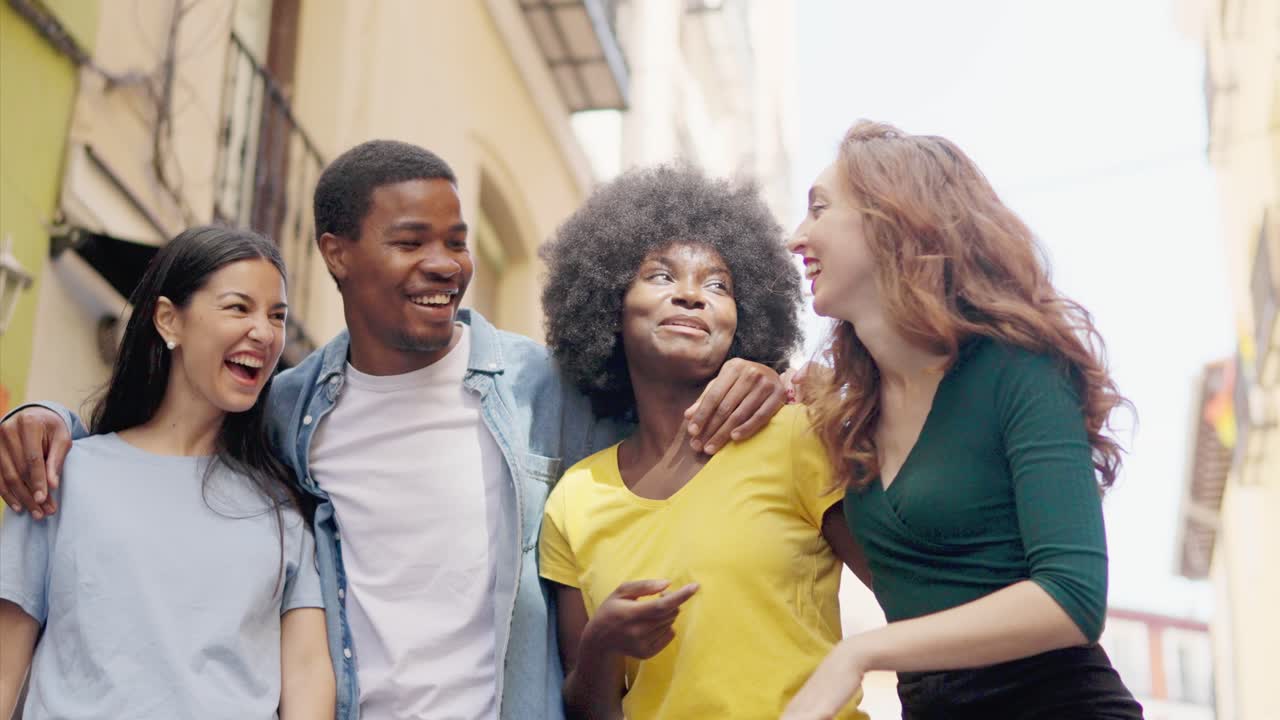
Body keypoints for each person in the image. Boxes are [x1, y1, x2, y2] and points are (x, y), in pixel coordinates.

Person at [0, 141, 788, 719]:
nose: (444, 264)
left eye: (456, 241)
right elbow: (166, 448)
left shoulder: (542, 388)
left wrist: (757, 375)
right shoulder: (286, 411)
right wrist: (45, 419)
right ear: (337, 256)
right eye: (411, 242)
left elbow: (674, 434)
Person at [781, 121, 1144, 719]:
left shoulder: (1020, 370)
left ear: (893, 217)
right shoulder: (848, 415)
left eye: (820, 209)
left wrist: (858, 654)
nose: (798, 237)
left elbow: (1073, 599)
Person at [537, 165, 872, 719]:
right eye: (661, 277)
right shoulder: (576, 496)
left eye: (718, 284)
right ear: (609, 305)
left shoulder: (793, 435)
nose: (692, 295)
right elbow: (588, 708)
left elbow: (908, 602)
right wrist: (603, 645)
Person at [0, 226, 332, 719]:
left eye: (276, 315)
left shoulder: (282, 511)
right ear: (168, 321)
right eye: (239, 307)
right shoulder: (63, 480)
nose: (264, 332)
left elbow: (307, 677)